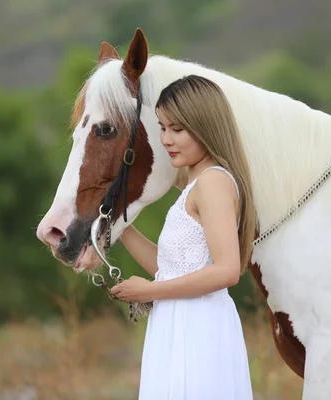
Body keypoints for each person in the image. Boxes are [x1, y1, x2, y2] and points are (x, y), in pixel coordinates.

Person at [109, 74, 256, 400]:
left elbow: (227, 270)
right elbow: (171, 267)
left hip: (198, 327)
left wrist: (150, 290)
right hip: (179, 322)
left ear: (206, 127)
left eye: (177, 129)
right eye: (162, 127)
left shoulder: (213, 183)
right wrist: (120, 227)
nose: (166, 139)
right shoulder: (196, 183)